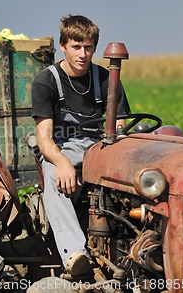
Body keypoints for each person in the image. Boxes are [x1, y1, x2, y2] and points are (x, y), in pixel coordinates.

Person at [31, 14, 131, 276]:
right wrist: (62, 163)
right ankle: (76, 255)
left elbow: (120, 126)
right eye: (76, 47)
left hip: (101, 147)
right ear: (63, 46)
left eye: (88, 47)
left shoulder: (107, 79)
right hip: (63, 147)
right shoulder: (47, 80)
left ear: (95, 48)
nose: (82, 54)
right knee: (54, 176)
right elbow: (44, 138)